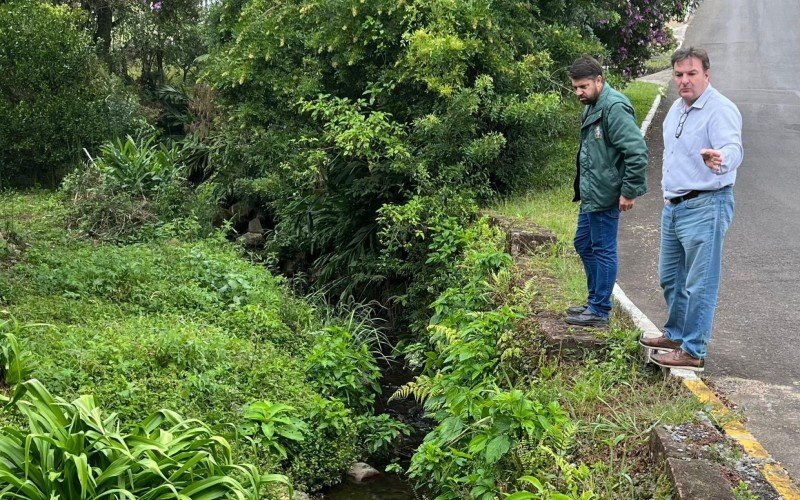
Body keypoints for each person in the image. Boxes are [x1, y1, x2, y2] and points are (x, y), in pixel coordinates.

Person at [641, 47, 743, 371]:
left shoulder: (720, 110)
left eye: (692, 73)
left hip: (706, 204)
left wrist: (721, 158)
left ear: (706, 75)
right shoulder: (676, 108)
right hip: (674, 207)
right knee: (670, 277)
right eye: (679, 75)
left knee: (700, 282)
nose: (685, 80)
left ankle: (694, 349)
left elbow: (732, 148)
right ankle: (676, 335)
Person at [565, 56, 649, 327]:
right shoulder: (592, 105)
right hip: (592, 192)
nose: (579, 92)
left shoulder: (613, 107)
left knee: (603, 248)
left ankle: (600, 310)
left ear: (599, 80)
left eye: (584, 86)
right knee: (583, 243)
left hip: (606, 193)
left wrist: (629, 191)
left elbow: (637, 152)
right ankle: (594, 302)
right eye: (576, 87)